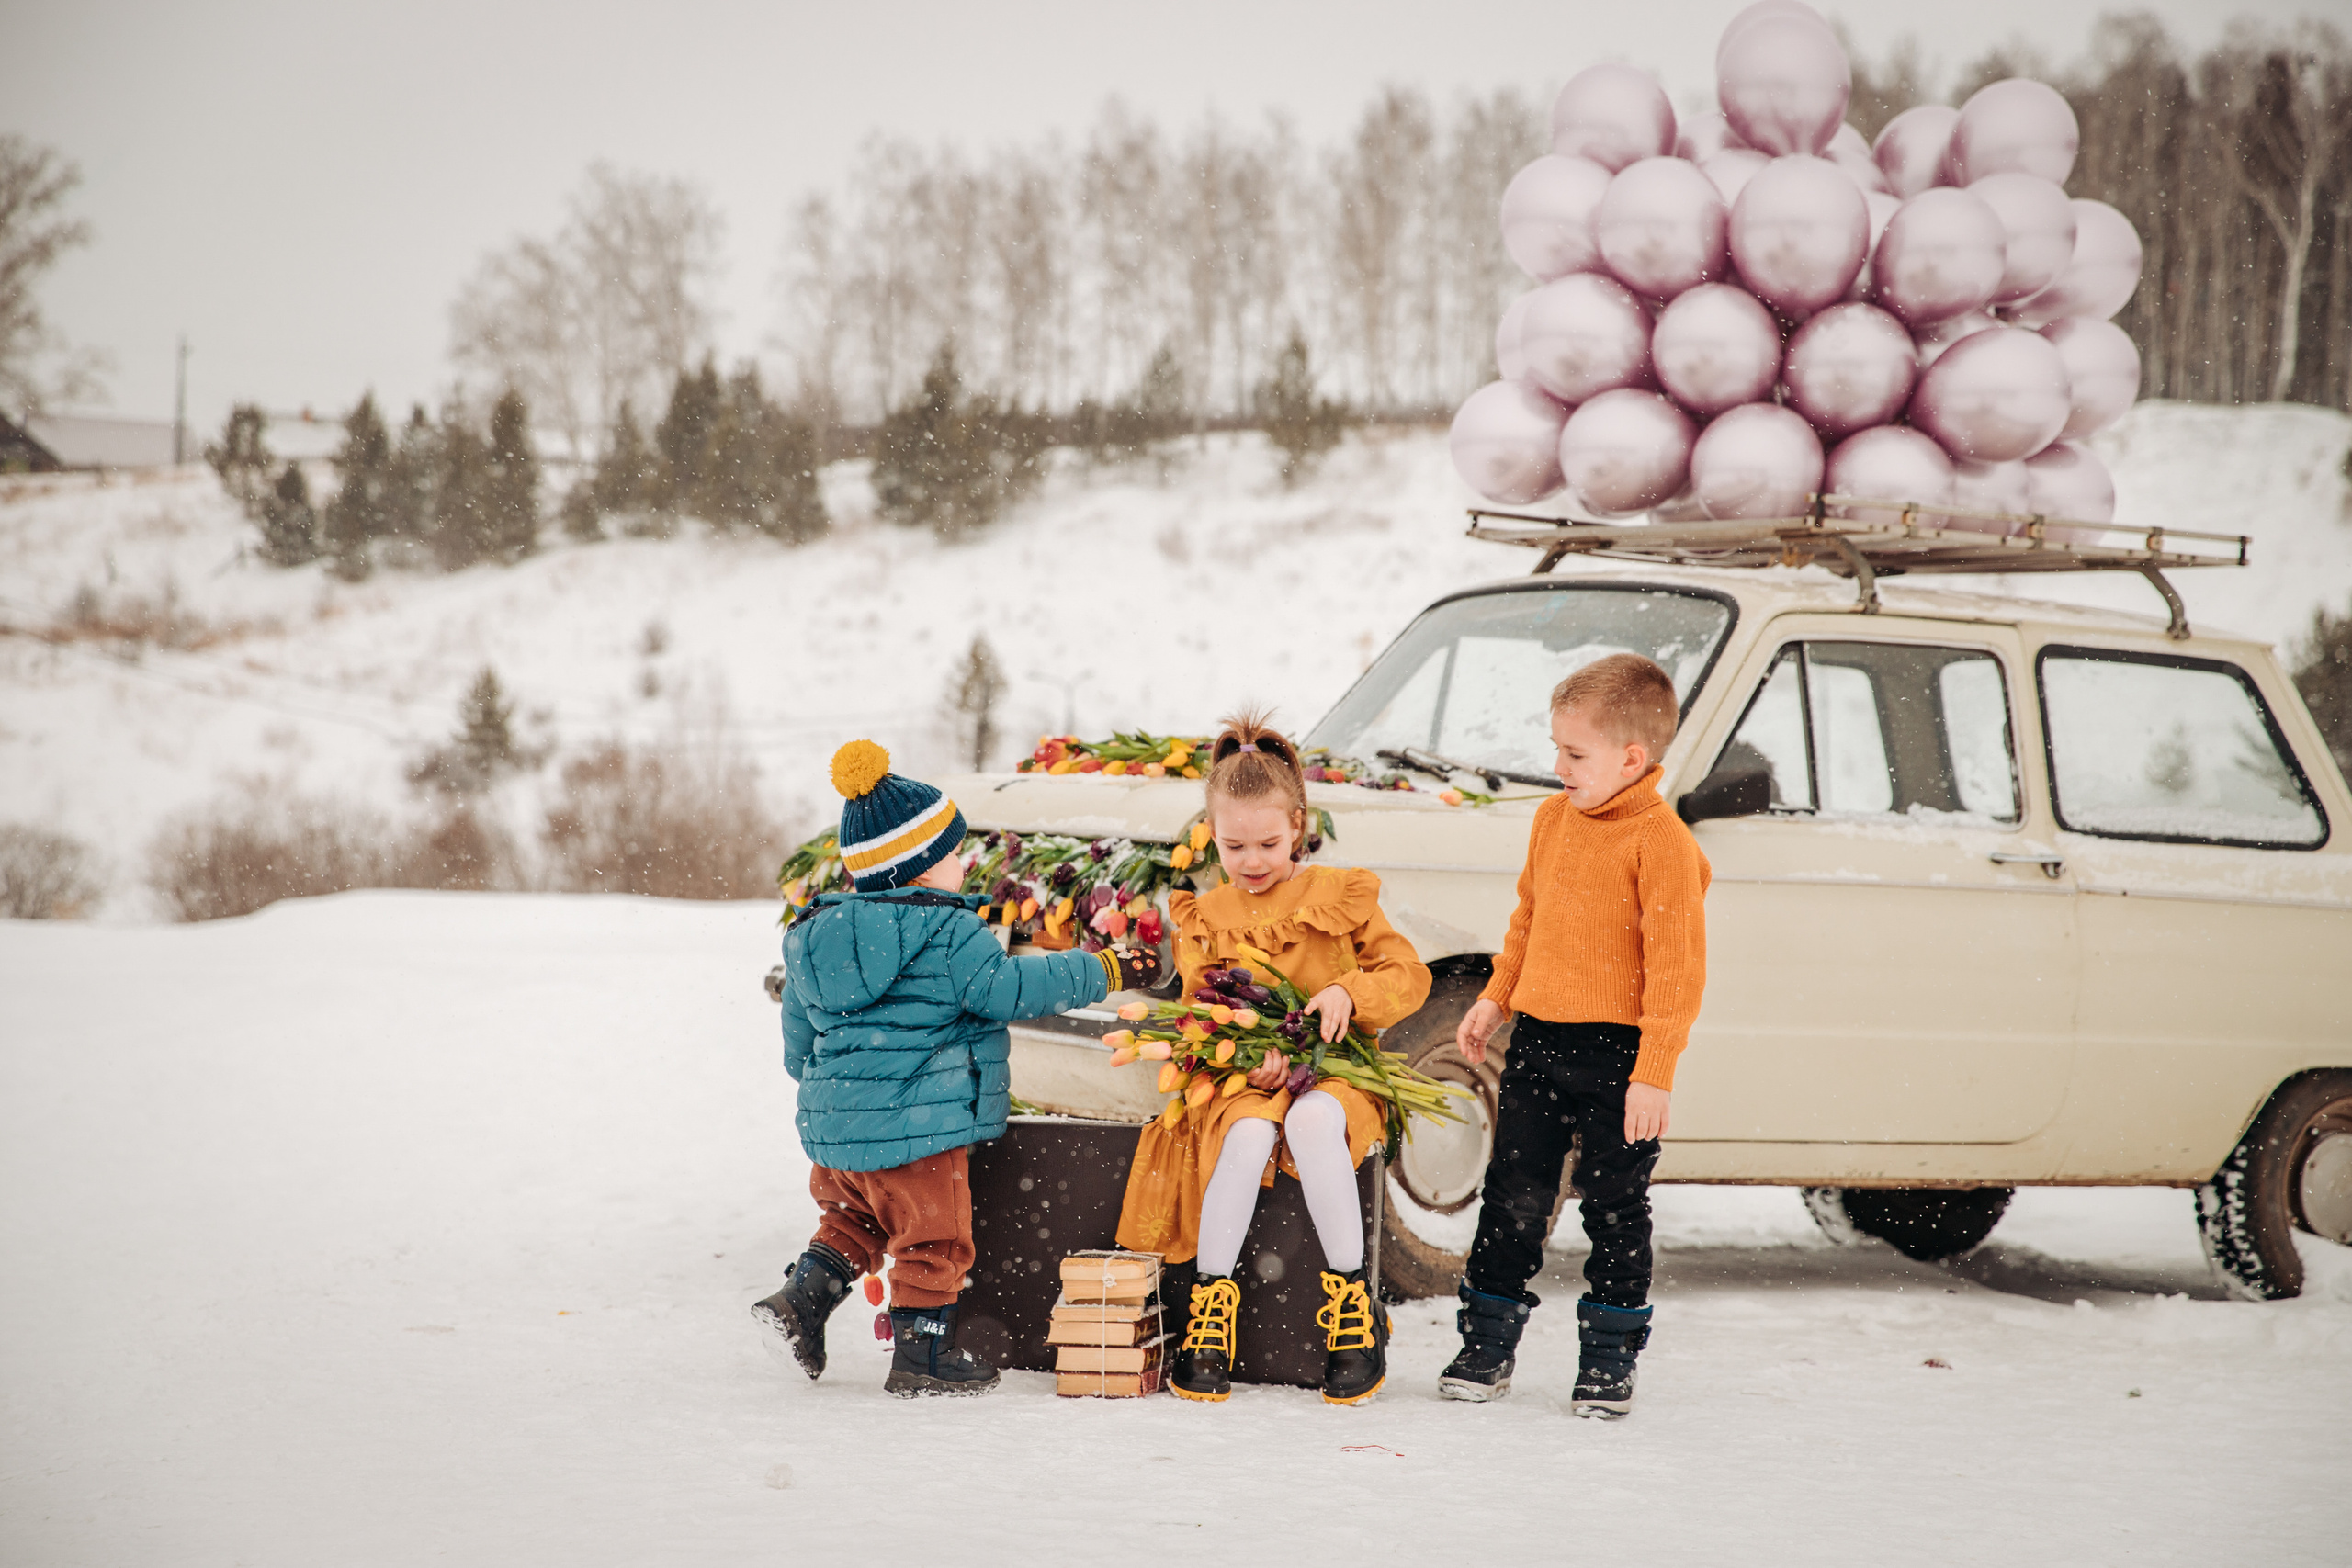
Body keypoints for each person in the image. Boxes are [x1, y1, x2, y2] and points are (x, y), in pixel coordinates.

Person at [753, 739, 1162, 1397]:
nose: (959, 866)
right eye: (951, 854)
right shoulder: (950, 934)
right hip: (922, 1132)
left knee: (854, 1218)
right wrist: (1107, 967)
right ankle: (923, 1356)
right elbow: (1011, 989)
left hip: (839, 1136)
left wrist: (846, 1097)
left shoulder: (812, 936)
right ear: (919, 866)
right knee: (933, 1239)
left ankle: (801, 1301)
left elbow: (797, 1047)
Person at [1114, 712, 1432, 1405]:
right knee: (1250, 1131)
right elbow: (1204, 1011)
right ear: (1212, 837)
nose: (1252, 861)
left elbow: (1411, 976)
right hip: (1249, 1077)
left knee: (1313, 1123)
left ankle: (1355, 1312)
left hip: (1336, 1070)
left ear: (1298, 824)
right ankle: (1210, 1311)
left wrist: (1352, 986)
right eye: (1233, 846)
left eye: (1268, 842)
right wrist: (1237, 1060)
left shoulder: (1340, 893)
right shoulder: (1208, 911)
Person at [1442, 653, 1710, 1419]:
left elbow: (1677, 969)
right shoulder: (1551, 819)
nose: (1557, 765)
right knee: (1512, 1197)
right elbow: (1528, 922)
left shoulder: (1661, 842)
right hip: (1538, 1043)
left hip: (1621, 1058)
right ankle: (1486, 1343)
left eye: (1575, 754)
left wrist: (1655, 1069)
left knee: (1615, 1208)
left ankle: (1609, 1357)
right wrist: (1496, 998)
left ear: (1633, 759)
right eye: (1557, 747)